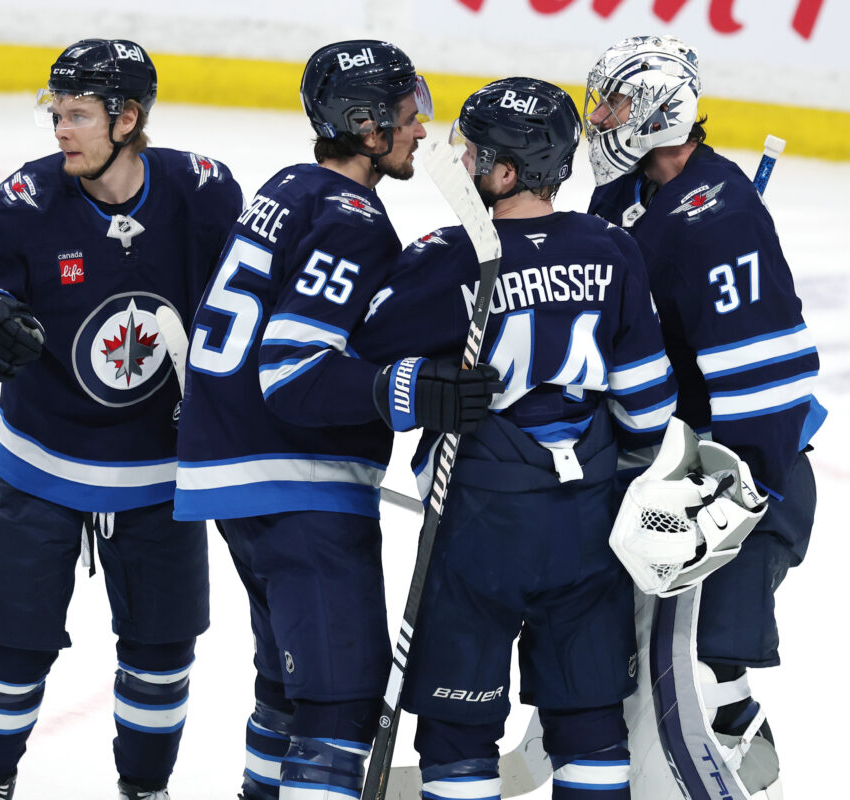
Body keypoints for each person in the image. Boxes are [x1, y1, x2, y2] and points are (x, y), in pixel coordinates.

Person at [174, 40, 501, 799]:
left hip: (238, 474)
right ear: (365, 125)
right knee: (338, 704)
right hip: (296, 483)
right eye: (408, 114)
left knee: (288, 689)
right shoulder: (351, 220)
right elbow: (295, 374)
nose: (422, 129)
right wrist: (419, 388)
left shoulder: (290, 187)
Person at [348, 77, 678, 800]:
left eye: (471, 151)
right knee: (590, 717)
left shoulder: (448, 254)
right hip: (587, 522)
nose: (459, 161)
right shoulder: (612, 249)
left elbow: (361, 361)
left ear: (503, 172)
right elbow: (650, 405)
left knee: (458, 729)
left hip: (479, 522)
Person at [0, 39, 243, 800]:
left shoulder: (202, 192)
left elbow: (250, 309)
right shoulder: (23, 203)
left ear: (128, 117)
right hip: (39, 463)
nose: (61, 131)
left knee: (162, 649)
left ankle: (145, 789)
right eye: (57, 114)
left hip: (158, 475)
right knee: (9, 648)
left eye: (78, 115)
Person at [585, 35, 823, 798]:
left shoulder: (720, 220)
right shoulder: (627, 195)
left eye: (615, 102)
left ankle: (729, 722)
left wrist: (740, 490)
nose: (601, 118)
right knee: (627, 659)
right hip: (660, 466)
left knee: (676, 677)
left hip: (725, 473)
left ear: (659, 110)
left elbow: (768, 381)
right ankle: (728, 711)